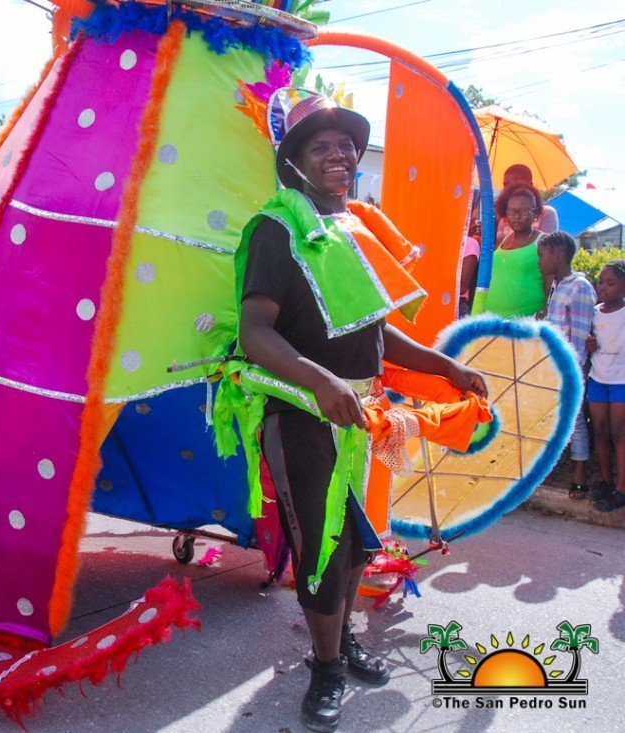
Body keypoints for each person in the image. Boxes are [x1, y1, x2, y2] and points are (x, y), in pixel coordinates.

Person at [237, 91, 486, 732]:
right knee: (321, 546)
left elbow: (375, 331)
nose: (339, 156)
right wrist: (321, 381)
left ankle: (340, 641)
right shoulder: (275, 229)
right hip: (301, 410)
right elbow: (255, 333)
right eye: (321, 147)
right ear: (294, 162)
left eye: (346, 146)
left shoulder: (352, 228)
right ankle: (325, 669)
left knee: (352, 546)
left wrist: (445, 366)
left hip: (360, 414)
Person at [538, 232, 596, 498]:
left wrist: (571, 372)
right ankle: (547, 470)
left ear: (559, 254)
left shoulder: (579, 287)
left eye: (542, 255)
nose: (539, 261)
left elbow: (580, 335)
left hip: (569, 368)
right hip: (553, 365)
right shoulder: (558, 285)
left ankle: (580, 478)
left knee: (575, 418)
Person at [586, 260, 625, 511]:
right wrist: (588, 345)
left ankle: (621, 490)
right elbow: (587, 341)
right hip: (598, 379)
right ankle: (606, 482)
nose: (603, 287)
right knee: (599, 432)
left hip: (621, 382)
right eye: (601, 282)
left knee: (619, 434)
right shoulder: (594, 312)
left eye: (611, 283)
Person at [484, 183, 547, 317]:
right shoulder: (501, 241)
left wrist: (545, 314)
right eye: (512, 211)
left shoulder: (544, 242)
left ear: (535, 213)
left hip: (525, 323)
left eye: (523, 211)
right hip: (492, 320)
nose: (517, 216)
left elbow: (552, 283)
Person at [495, 164, 559, 240]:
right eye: (506, 184)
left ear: (530, 185)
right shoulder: (503, 220)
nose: (511, 187)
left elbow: (545, 245)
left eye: (516, 182)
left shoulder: (546, 213)